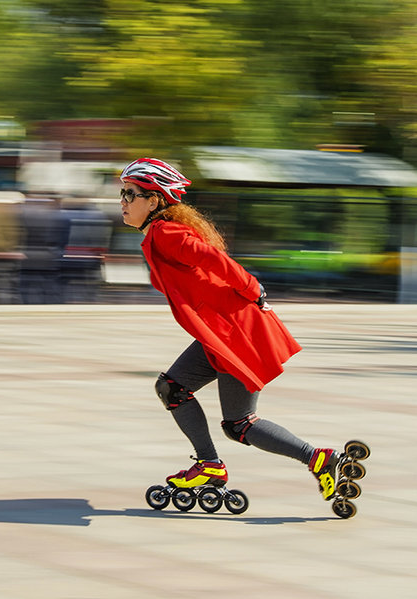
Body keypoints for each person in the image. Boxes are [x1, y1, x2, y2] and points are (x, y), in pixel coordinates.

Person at [119, 157, 346, 505]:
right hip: (220, 331)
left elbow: (213, 259)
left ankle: (318, 458)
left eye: (130, 194)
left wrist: (253, 288)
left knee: (240, 423)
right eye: (122, 193)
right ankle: (209, 464)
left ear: (154, 200)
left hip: (235, 333)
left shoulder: (167, 232)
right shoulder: (160, 234)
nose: (123, 201)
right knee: (173, 388)